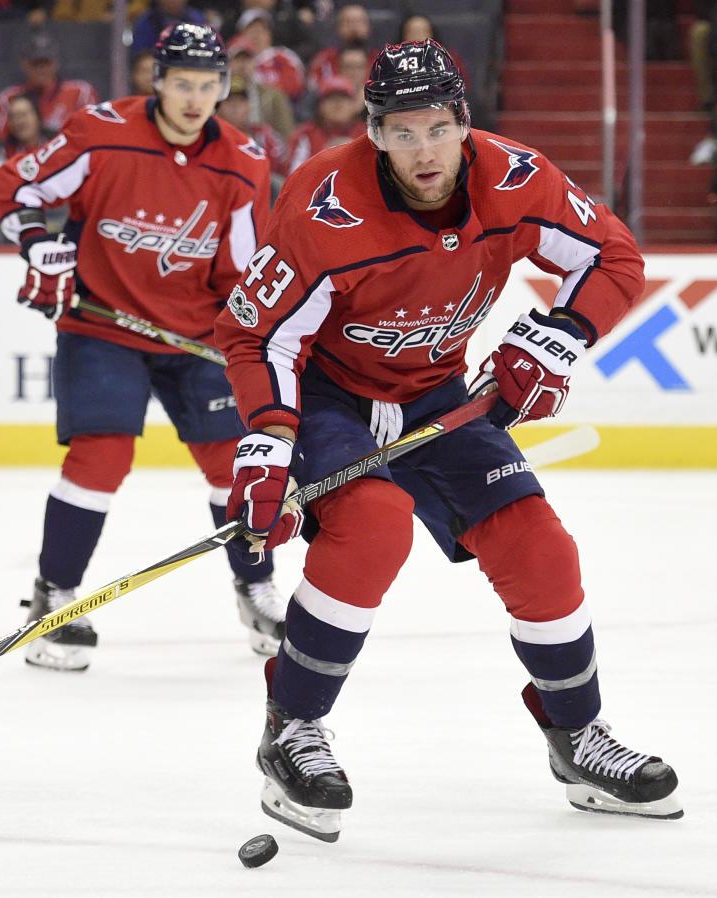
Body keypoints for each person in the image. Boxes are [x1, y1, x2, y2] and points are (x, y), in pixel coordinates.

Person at [214, 39, 682, 843]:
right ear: (374, 134)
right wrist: (266, 444)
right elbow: (257, 336)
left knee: (540, 548)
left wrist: (560, 337)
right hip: (332, 397)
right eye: (399, 133)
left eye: (436, 129)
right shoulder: (324, 206)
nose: (421, 152)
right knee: (373, 532)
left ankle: (577, 735)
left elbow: (613, 254)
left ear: (464, 121)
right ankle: (291, 727)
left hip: (436, 395)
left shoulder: (517, 178)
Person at [0, 22, 281, 671]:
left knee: (235, 463)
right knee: (102, 455)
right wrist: (38, 242)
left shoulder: (243, 162)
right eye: (182, 83)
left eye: (208, 85)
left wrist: (255, 344)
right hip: (103, 323)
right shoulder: (101, 133)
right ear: (157, 81)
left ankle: (255, 586)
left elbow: (241, 272)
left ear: (224, 87)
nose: (195, 98)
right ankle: (53, 595)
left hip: (196, 333)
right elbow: (12, 188)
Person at [0, 31, 98, 138]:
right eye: (35, 63)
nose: (41, 69)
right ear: (24, 64)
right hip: (24, 154)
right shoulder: (6, 99)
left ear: (56, 63)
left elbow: (93, 134)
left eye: (46, 62)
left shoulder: (81, 92)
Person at [285, 75, 365, 174]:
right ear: (320, 106)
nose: (338, 104)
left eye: (344, 98)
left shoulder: (366, 134)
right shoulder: (304, 135)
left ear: (354, 105)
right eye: (331, 99)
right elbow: (294, 177)